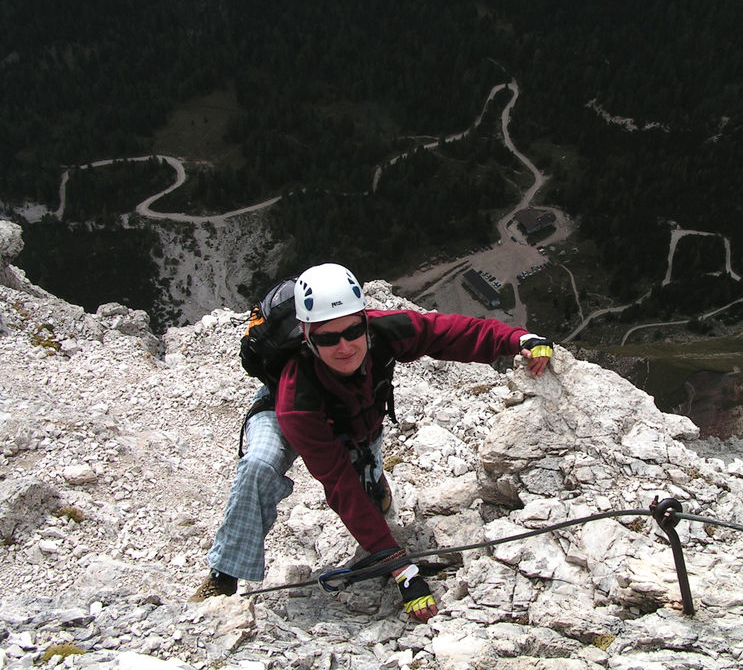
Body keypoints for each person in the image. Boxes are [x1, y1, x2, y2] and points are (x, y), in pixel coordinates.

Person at [190, 263, 553, 621]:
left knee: (371, 501)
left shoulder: (382, 331)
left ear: (365, 321)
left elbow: (446, 332)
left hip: (356, 418)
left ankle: (376, 486)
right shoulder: (295, 398)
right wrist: (398, 566)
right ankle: (223, 576)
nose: (345, 346)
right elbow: (337, 484)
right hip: (287, 413)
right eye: (328, 338)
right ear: (307, 335)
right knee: (260, 465)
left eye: (351, 332)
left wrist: (516, 339)